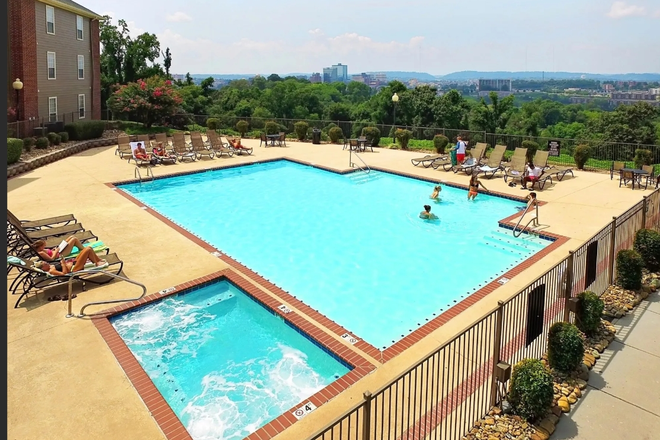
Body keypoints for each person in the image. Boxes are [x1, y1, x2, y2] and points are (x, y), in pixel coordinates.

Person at [38, 246, 108, 276]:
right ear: (43, 268)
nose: (47, 263)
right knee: (88, 250)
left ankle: (98, 260)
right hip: (74, 269)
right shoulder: (51, 271)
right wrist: (63, 264)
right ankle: (96, 263)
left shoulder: (50, 266)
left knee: (88, 248)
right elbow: (64, 274)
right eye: (45, 264)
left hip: (73, 263)